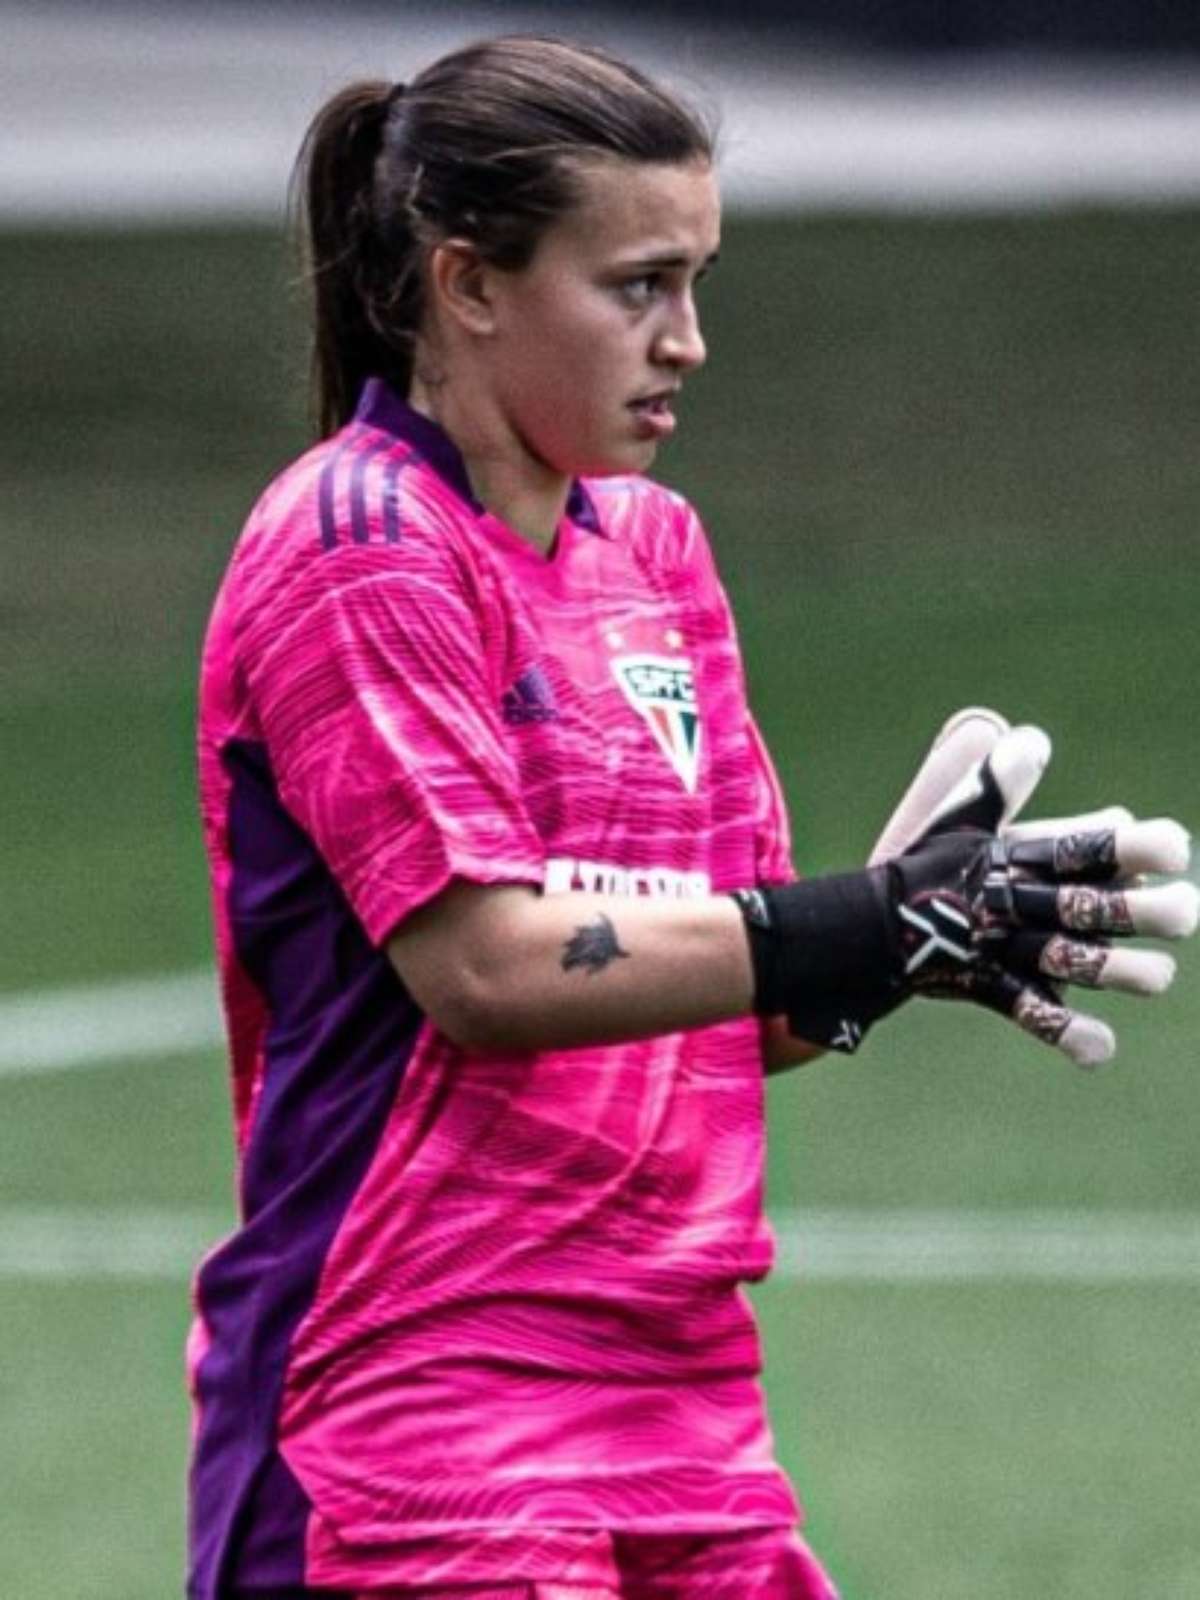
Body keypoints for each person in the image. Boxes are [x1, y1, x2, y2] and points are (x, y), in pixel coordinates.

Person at [189, 33, 1190, 1600]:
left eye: (697, 281)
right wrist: (854, 922)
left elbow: (738, 1002)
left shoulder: (652, 553)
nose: (690, 342)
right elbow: (493, 973)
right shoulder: (359, 541)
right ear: (468, 285)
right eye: (638, 286)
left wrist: (909, 933)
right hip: (412, 1410)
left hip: (683, 1401)